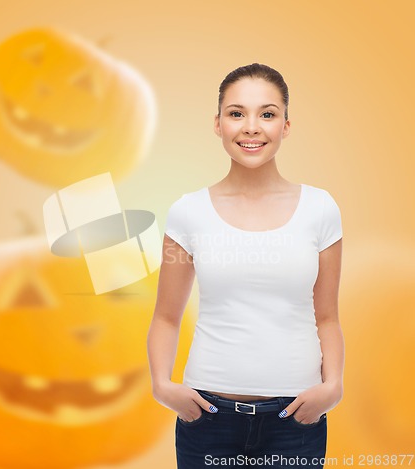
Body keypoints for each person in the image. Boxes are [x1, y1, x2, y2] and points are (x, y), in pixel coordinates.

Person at [147, 63, 344, 468]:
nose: (251, 127)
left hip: (297, 421)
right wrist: (163, 386)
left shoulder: (320, 208)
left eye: (267, 114)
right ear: (217, 124)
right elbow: (166, 316)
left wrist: (334, 387)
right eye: (237, 113)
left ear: (286, 126)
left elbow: (327, 316)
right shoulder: (188, 212)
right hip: (207, 420)